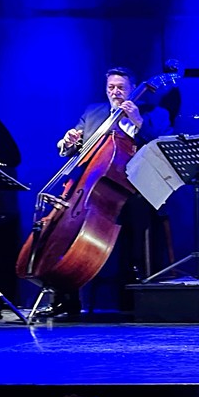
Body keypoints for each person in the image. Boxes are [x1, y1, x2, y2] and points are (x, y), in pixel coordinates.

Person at [46, 66, 170, 317]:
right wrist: (67, 142)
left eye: (121, 88)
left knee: (136, 211)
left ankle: (134, 292)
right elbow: (73, 149)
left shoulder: (155, 114)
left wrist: (138, 121)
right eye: (111, 87)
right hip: (93, 190)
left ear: (133, 89)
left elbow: (162, 148)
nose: (115, 92)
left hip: (135, 189)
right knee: (63, 227)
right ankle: (65, 297)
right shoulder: (93, 112)